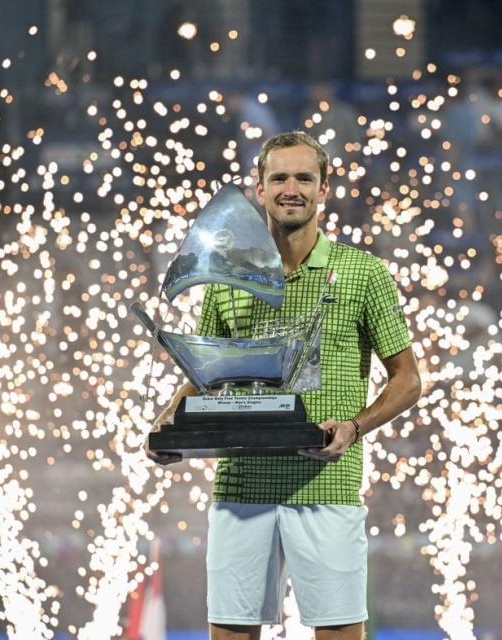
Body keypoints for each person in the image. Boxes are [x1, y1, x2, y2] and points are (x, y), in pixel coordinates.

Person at [146, 130, 422, 640]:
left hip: (327, 484)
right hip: (241, 485)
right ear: (260, 188)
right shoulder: (228, 276)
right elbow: (205, 375)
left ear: (323, 189)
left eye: (303, 178)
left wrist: (354, 427)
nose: (290, 189)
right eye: (279, 178)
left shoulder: (363, 273)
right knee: (230, 634)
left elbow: (408, 380)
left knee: (339, 634)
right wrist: (167, 424)